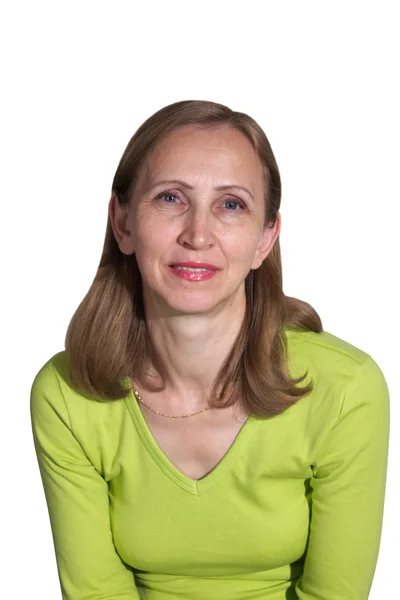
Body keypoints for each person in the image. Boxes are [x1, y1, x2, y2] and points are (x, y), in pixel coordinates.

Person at [30, 99, 390, 600]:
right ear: (123, 222)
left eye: (231, 204)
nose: (198, 234)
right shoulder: (68, 394)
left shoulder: (345, 389)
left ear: (266, 239)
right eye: (171, 198)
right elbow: (96, 592)